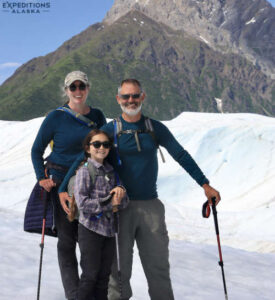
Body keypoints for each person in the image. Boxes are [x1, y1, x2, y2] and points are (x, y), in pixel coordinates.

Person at [59, 78, 221, 300]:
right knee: (117, 274)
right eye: (126, 96)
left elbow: (180, 154)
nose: (131, 100)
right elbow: (83, 157)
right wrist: (62, 188)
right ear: (118, 99)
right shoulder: (110, 130)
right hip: (117, 209)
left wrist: (205, 184)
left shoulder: (154, 128)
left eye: (135, 95)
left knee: (158, 269)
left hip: (150, 207)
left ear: (142, 96)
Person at [31, 71, 106, 300]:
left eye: (81, 86)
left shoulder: (97, 117)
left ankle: (86, 292)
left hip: (89, 182)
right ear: (66, 91)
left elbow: (104, 148)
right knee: (66, 240)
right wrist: (41, 178)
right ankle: (74, 295)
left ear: (88, 88)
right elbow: (36, 150)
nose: (77, 91)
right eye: (72, 87)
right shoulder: (56, 117)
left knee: (88, 240)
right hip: (60, 182)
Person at [72, 129, 128, 300]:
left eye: (106, 144)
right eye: (96, 144)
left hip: (109, 231)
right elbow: (82, 203)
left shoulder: (111, 171)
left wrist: (119, 195)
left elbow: (124, 202)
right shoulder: (85, 171)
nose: (101, 147)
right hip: (90, 230)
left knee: (103, 278)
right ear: (88, 148)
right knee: (90, 276)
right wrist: (109, 202)